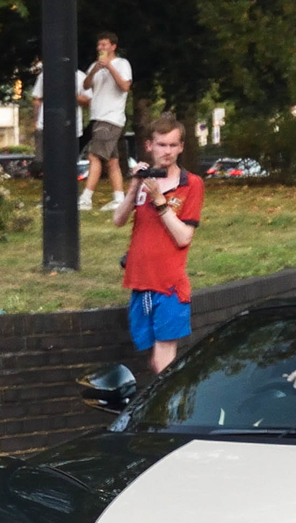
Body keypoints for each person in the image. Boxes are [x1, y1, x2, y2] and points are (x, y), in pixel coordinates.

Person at [112, 114, 202, 374]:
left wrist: (160, 201)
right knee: (154, 361)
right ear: (149, 146)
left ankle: (168, 412)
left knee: (164, 361)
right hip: (141, 282)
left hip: (169, 286)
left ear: (181, 147)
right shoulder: (145, 182)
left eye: (174, 145)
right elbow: (118, 220)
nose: (168, 151)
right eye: (162, 145)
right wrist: (134, 187)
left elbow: (184, 237)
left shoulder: (191, 184)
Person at [77, 33, 132, 211]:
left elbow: (125, 87)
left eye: (104, 45)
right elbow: (85, 86)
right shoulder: (94, 65)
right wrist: (95, 70)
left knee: (94, 156)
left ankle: (86, 198)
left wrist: (109, 67)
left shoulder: (122, 64)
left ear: (113, 46)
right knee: (112, 161)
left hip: (111, 117)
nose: (101, 48)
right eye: (99, 45)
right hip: (98, 117)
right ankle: (119, 198)